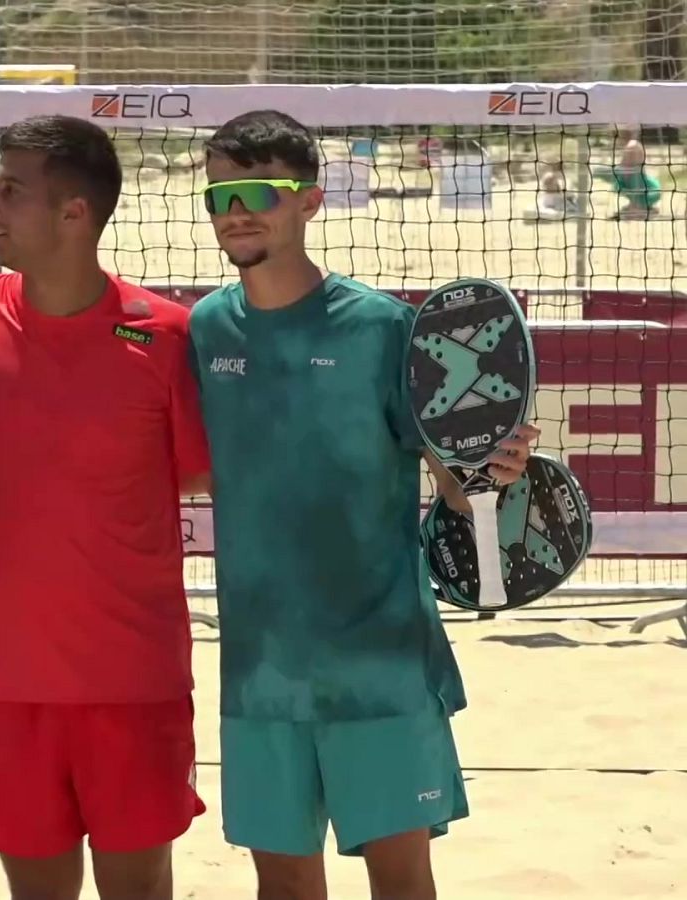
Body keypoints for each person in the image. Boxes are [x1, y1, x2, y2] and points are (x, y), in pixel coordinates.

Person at [188, 108, 540, 900]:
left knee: (402, 882)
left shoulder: (383, 329)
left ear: (309, 202)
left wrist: (492, 467)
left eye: (256, 193)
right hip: (260, 669)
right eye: (219, 196)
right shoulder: (207, 330)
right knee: (281, 886)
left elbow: (456, 481)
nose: (235, 212)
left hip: (379, 664)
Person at [0, 114, 210, 900]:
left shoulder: (166, 335)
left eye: (10, 189)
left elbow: (208, 474)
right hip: (8, 678)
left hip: (132, 680)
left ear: (74, 214)